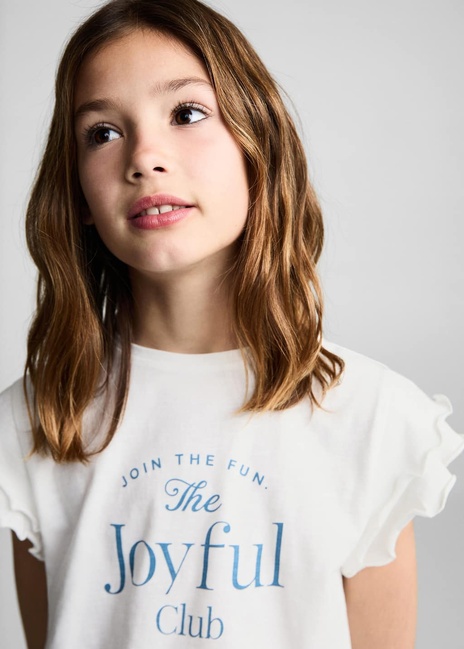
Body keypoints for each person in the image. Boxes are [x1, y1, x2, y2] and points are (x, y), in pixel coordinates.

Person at [0, 0, 462, 647]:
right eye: (102, 132)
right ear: (77, 192)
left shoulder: (371, 419)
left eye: (187, 113)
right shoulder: (36, 421)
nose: (145, 157)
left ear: (257, 146)